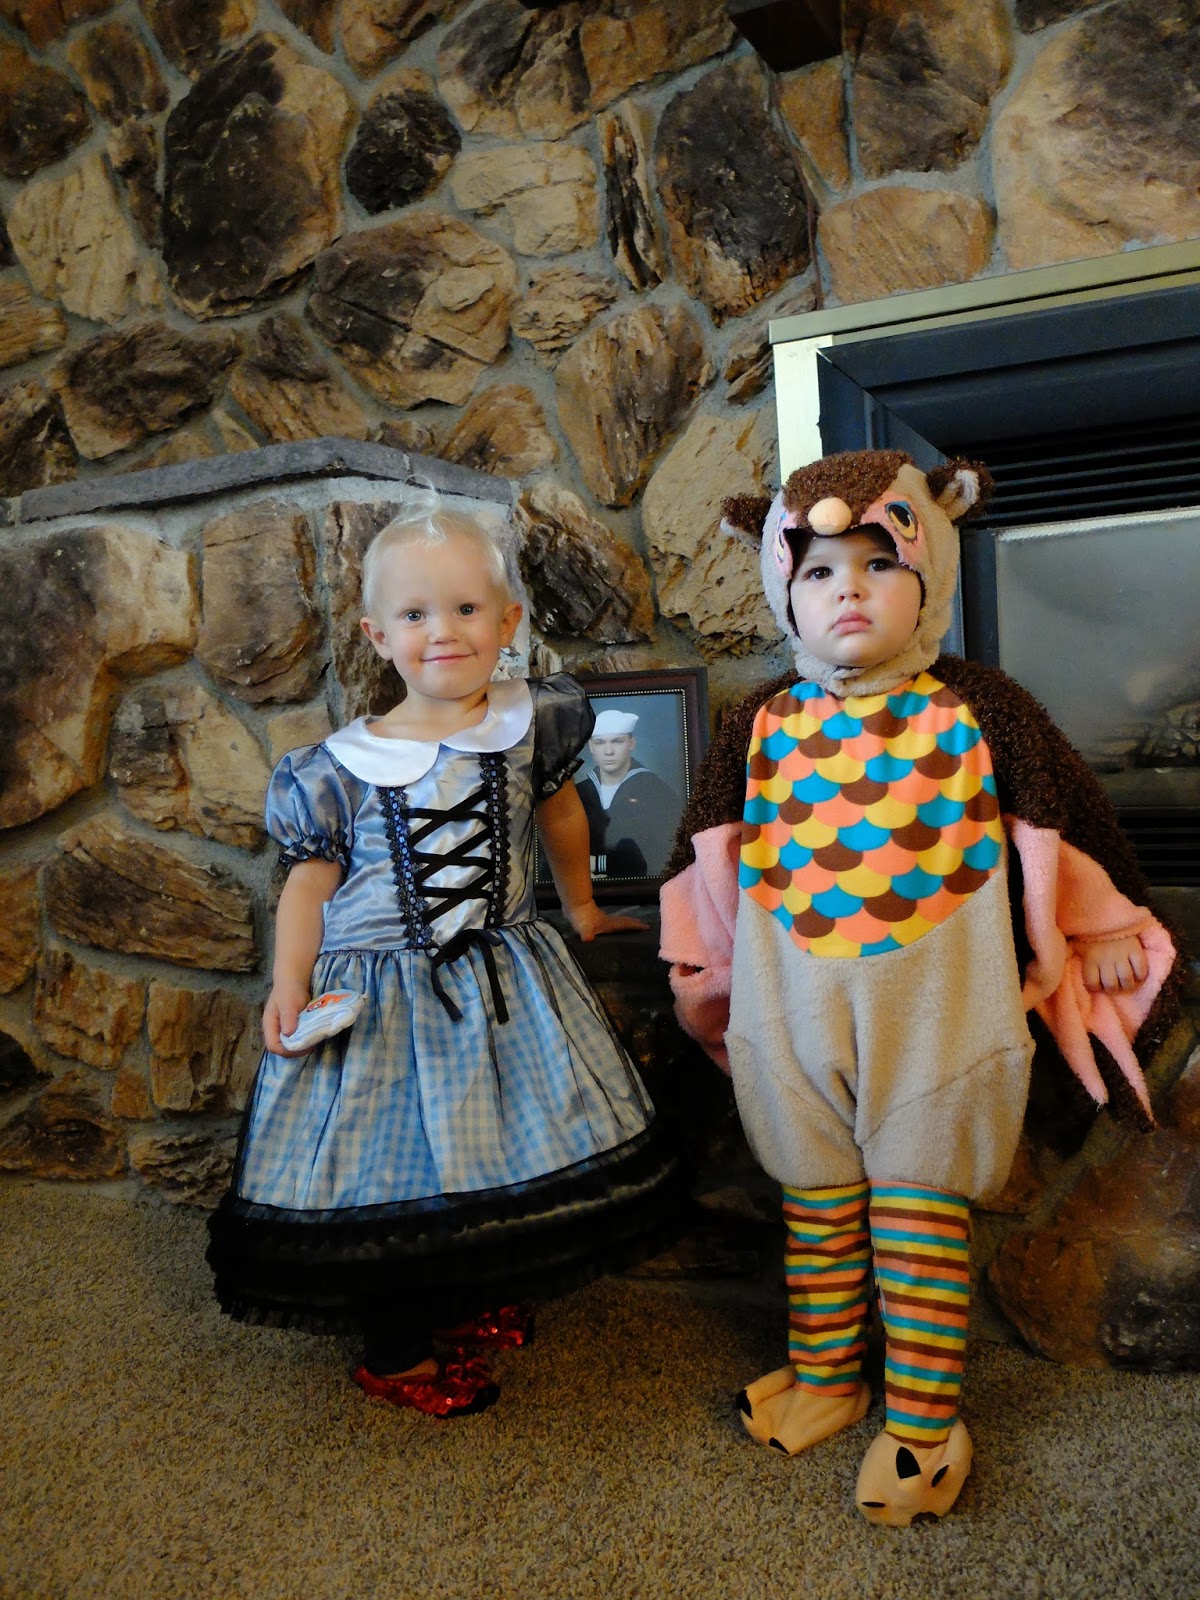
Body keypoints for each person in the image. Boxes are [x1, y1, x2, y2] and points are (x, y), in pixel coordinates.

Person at [659, 450, 1184, 1525]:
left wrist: (1102, 924)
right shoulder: (757, 722)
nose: (846, 589)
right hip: (791, 1008)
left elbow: (1059, 816)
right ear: (782, 588)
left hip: (939, 1014)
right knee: (814, 1201)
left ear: (930, 568)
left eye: (877, 563)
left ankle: (925, 1420)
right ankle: (827, 1376)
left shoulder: (984, 706)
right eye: (817, 572)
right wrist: (700, 964)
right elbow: (706, 849)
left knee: (916, 1209)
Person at [207, 496, 685, 1418]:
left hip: (503, 976)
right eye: (416, 614)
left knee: (483, 1148)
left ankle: (460, 1300)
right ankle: (394, 1353)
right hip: (379, 1000)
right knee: (387, 1172)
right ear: (377, 635)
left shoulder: (532, 722)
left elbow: (559, 815)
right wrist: (289, 982)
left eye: (467, 609)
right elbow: (308, 886)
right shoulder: (337, 766)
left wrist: (583, 906)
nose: (444, 632)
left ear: (507, 622)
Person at [576, 709, 680, 878]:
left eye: (617, 741)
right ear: (591, 747)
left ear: (631, 743)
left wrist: (598, 864)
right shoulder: (577, 793)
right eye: (600, 743)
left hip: (641, 890)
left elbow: (664, 853)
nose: (608, 751)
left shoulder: (657, 792)